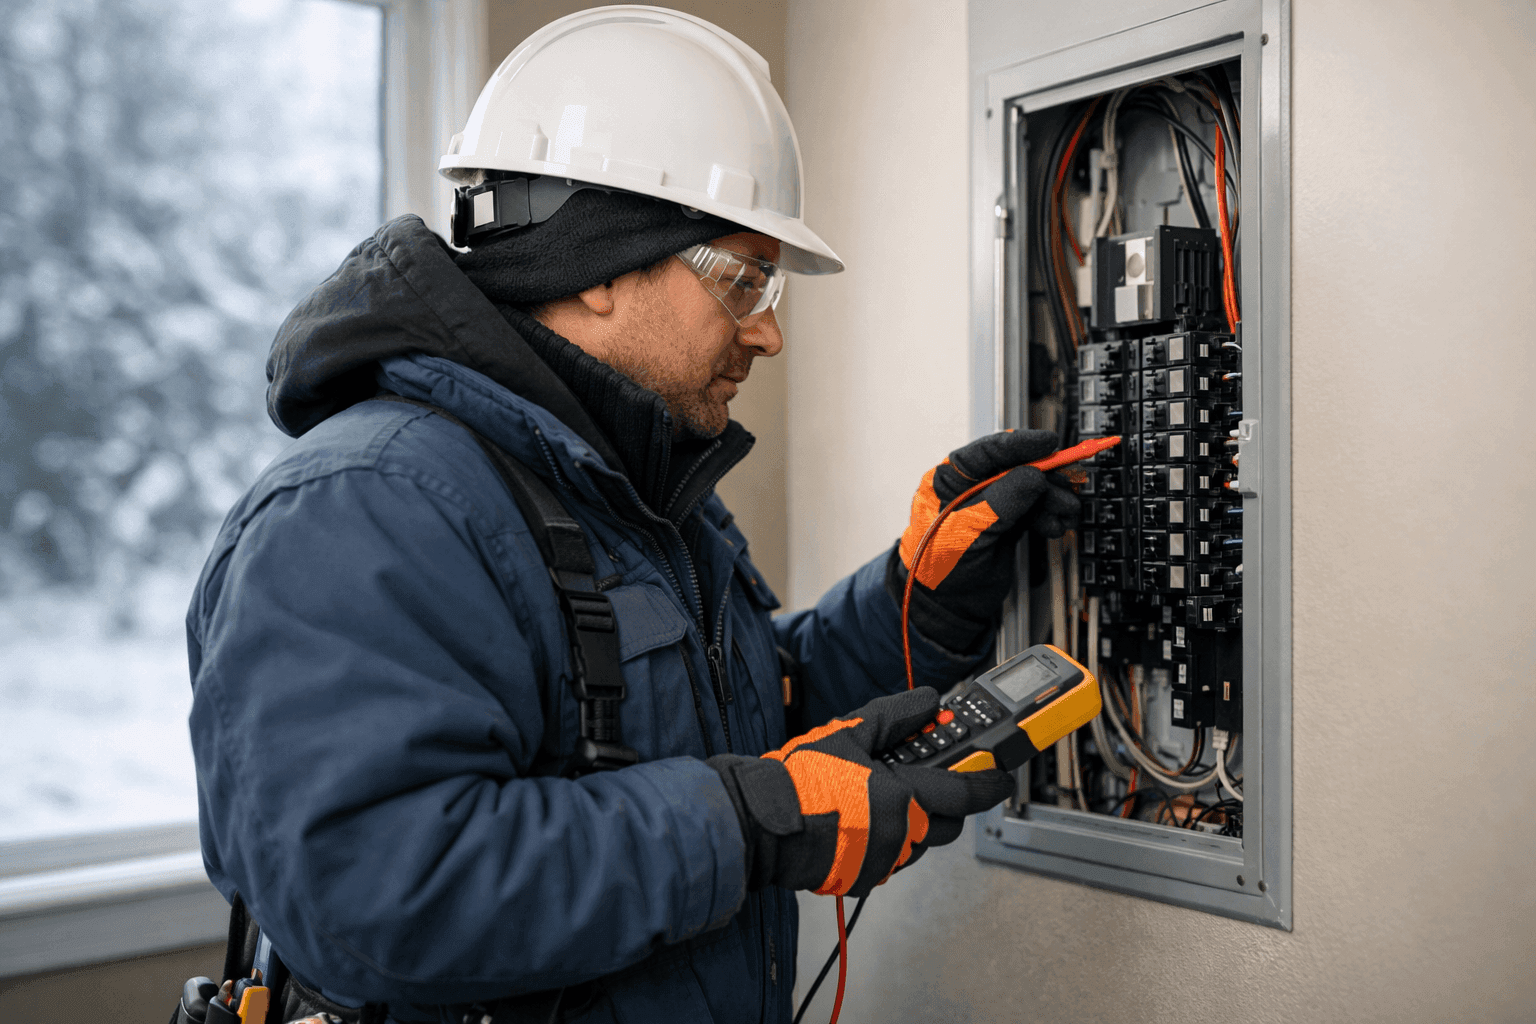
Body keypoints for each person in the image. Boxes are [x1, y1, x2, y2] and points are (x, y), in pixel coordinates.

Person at [186, 8, 1077, 1023]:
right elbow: (372, 892)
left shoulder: (628, 487)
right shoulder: (367, 507)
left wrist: (917, 597)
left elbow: (736, 723)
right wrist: (747, 828)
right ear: (599, 268)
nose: (769, 331)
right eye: (743, 279)